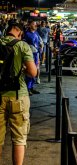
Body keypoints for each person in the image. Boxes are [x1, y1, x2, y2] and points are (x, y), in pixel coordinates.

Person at [0, 21, 37, 165]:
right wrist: (22, 70)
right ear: (20, 32)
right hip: (18, 96)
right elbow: (33, 72)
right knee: (19, 139)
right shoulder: (22, 46)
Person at [24, 21, 41, 95]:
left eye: (35, 24)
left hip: (36, 54)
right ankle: (28, 88)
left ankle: (31, 87)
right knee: (30, 72)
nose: (35, 25)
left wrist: (39, 56)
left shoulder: (36, 33)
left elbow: (38, 44)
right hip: (30, 55)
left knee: (35, 71)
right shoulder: (26, 34)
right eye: (34, 24)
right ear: (30, 25)